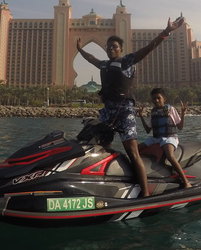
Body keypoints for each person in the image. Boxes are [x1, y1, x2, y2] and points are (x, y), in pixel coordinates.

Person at [76, 16, 184, 197]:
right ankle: (109, 182)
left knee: (132, 151)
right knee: (101, 146)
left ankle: (145, 193)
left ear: (121, 49)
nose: (111, 49)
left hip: (125, 110)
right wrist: (80, 50)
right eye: (109, 47)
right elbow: (90, 58)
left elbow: (149, 48)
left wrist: (166, 32)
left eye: (115, 46)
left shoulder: (127, 61)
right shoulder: (104, 64)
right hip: (107, 111)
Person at [138, 88, 191, 189]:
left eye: (159, 98)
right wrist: (141, 116)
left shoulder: (170, 109)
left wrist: (183, 114)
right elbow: (148, 130)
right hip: (156, 138)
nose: (156, 100)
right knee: (135, 150)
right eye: (154, 99)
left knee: (170, 156)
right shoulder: (153, 112)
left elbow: (180, 127)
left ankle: (186, 181)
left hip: (169, 137)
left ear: (164, 99)